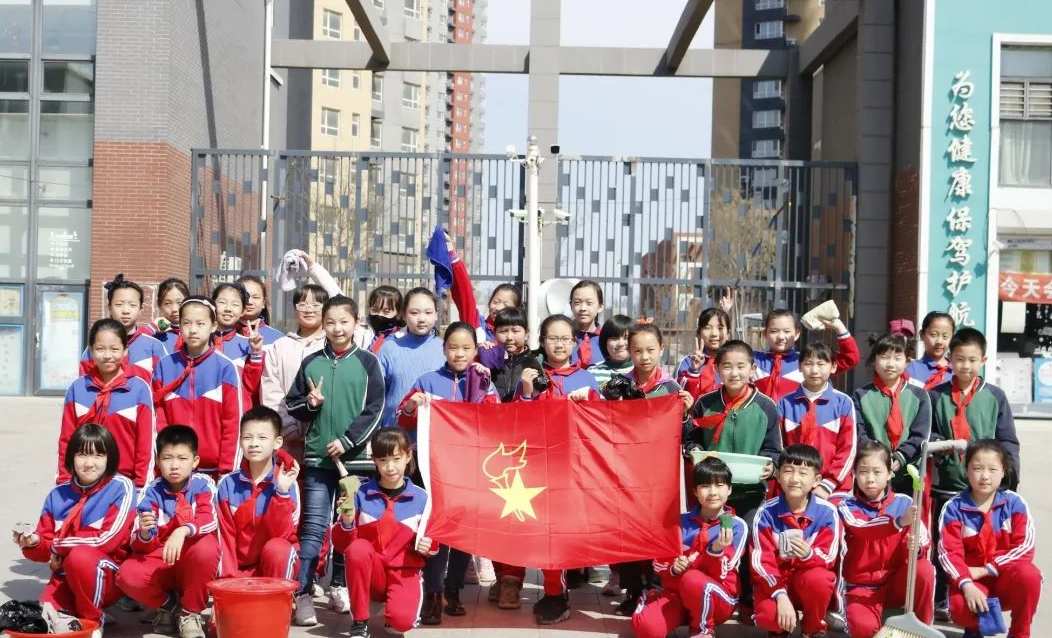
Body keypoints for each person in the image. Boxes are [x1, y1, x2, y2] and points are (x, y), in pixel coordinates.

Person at [285, 295, 385, 625]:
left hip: (354, 463)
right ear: (323, 325)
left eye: (344, 321)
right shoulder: (311, 362)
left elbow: (376, 409)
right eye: (330, 322)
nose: (337, 328)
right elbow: (293, 404)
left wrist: (347, 441)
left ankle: (339, 585)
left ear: (356, 323)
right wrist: (311, 404)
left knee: (347, 525)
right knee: (313, 528)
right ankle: (303, 593)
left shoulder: (368, 363)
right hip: (317, 459)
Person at [396, 321, 499, 624]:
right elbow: (402, 419)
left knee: (463, 532)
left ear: (475, 350)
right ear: (443, 349)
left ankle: (453, 590)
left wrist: (483, 388)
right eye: (453, 347)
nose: (459, 353)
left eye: (466, 348)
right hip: (432, 470)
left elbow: (495, 419)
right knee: (435, 529)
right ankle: (433, 591)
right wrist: (412, 406)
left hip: (470, 470)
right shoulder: (427, 381)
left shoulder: (483, 380)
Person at [507, 314, 601, 625]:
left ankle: (558, 593)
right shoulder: (530, 375)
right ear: (542, 341)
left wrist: (590, 400)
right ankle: (553, 592)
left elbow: (602, 424)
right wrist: (526, 393)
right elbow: (515, 423)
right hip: (538, 465)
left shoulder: (586, 378)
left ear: (574, 342)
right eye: (552, 338)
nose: (559, 344)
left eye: (565, 339)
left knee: (561, 532)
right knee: (545, 531)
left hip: (574, 467)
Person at [687, 339, 781, 621]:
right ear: (717, 369)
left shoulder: (766, 406)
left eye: (741, 366)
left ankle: (749, 597)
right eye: (727, 366)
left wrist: (771, 466)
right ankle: (711, 591)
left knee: (750, 539)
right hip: (712, 493)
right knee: (712, 539)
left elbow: (774, 450)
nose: (734, 373)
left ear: (752, 369)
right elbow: (690, 439)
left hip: (749, 491)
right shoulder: (705, 403)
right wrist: (693, 450)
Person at [929, 328, 1020, 619]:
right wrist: (941, 444)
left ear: (983, 360)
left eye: (971, 360)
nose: (965, 366)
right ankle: (942, 597)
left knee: (983, 543)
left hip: (985, 488)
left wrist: (1008, 478)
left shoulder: (995, 396)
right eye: (959, 359)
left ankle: (984, 594)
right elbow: (928, 432)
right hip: (948, 483)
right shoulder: (936, 395)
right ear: (949, 359)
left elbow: (1008, 440)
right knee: (945, 543)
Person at [13, 424, 135, 634]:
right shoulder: (57, 495)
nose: (89, 463)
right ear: (71, 457)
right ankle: (81, 610)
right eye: (82, 455)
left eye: (98, 455)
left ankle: (93, 621)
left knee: (80, 557)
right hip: (65, 576)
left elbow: (106, 540)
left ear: (110, 457)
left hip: (109, 576)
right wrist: (33, 542)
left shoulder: (121, 486)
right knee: (44, 619)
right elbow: (44, 551)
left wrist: (56, 545)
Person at [609, 323, 695, 615]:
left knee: (657, 533)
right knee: (628, 533)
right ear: (629, 352)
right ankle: (633, 591)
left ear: (661, 349)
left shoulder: (672, 389)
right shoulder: (619, 385)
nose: (644, 357)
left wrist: (685, 415)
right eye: (637, 351)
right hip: (625, 472)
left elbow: (686, 436)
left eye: (650, 350)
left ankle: (656, 589)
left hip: (659, 476)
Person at [117, 426, 219, 638]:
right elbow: (138, 544)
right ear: (157, 461)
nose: (174, 465)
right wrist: (145, 533)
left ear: (195, 461)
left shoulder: (204, 485)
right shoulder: (150, 491)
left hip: (190, 561)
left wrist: (183, 530)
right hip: (161, 560)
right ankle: (169, 606)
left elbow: (210, 519)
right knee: (127, 575)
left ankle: (190, 613)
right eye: (167, 458)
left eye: (182, 458)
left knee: (208, 548)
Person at [333, 428, 437, 638]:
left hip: (404, 572)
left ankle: (393, 610)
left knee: (402, 623)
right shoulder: (358, 494)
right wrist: (347, 521)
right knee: (358, 549)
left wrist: (429, 546)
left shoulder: (423, 498)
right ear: (374, 460)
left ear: (408, 456)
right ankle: (360, 621)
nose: (390, 467)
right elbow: (343, 546)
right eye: (383, 460)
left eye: (396, 458)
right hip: (372, 572)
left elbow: (434, 540)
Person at [632, 457, 748, 638]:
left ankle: (702, 630)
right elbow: (658, 561)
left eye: (719, 485)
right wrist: (673, 567)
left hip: (718, 599)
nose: (712, 492)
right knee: (647, 629)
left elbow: (725, 569)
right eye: (705, 486)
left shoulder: (736, 526)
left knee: (692, 578)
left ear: (729, 489)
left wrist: (715, 550)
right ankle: (653, 601)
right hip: (677, 595)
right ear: (695, 490)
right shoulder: (678, 522)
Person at [938, 439, 1040, 638]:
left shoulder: (1015, 503)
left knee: (1030, 576)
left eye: (993, 469)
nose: (985, 476)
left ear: (1003, 472)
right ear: (966, 470)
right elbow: (948, 554)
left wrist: (988, 569)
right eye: (977, 468)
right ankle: (975, 629)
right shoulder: (953, 508)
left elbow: (1025, 548)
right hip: (972, 581)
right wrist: (966, 584)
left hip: (1005, 578)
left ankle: (1019, 633)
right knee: (959, 605)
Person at [838, 441, 935, 638]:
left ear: (890, 473)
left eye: (877, 472)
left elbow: (923, 539)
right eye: (863, 472)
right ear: (854, 473)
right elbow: (865, 529)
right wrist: (898, 522)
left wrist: (916, 548)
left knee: (924, 569)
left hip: (896, 585)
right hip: (861, 589)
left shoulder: (905, 502)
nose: (870, 479)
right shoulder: (846, 507)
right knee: (863, 630)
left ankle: (922, 629)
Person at [751, 444, 840, 637]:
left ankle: (812, 629)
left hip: (805, 580)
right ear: (778, 475)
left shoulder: (827, 512)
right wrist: (780, 594)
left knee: (820, 579)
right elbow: (761, 562)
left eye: (803, 473)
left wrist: (808, 555)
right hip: (776, 582)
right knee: (769, 615)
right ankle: (779, 628)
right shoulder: (766, 512)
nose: (794, 479)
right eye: (788, 471)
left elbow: (829, 557)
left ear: (816, 480)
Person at [60, 318, 155, 488]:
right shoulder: (77, 388)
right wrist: (64, 482)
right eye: (100, 349)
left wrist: (141, 487)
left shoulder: (139, 389)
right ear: (90, 350)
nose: (107, 355)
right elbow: (66, 440)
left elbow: (145, 444)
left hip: (124, 482)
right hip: (83, 480)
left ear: (125, 351)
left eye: (114, 349)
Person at [153, 296, 243, 474]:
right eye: (186, 323)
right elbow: (158, 417)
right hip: (174, 469)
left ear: (213, 326)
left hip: (214, 470)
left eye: (200, 324)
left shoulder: (225, 367)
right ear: (179, 326)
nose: (193, 330)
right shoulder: (165, 365)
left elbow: (232, 423)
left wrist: (226, 472)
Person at [215, 407, 301, 583]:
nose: (254, 443)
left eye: (262, 438)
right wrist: (228, 583)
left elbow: (283, 535)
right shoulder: (227, 484)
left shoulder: (288, 483)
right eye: (247, 437)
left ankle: (280, 596)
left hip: (272, 569)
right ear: (240, 441)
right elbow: (224, 539)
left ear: (277, 442)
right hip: (237, 572)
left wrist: (282, 492)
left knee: (279, 549)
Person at [853, 333, 932, 496]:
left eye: (897, 358)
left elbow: (921, 434)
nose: (890, 364)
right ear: (874, 360)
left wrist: (901, 456)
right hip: (872, 473)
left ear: (907, 362)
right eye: (884, 357)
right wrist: (878, 456)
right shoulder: (860, 396)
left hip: (908, 473)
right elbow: (858, 432)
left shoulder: (920, 396)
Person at [777, 342, 858, 497]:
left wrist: (828, 484)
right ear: (799, 367)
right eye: (808, 364)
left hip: (835, 489)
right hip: (794, 485)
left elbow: (848, 449)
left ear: (833, 367)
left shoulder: (843, 403)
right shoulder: (784, 403)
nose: (814, 370)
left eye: (821, 364)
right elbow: (779, 446)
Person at [754, 308, 859, 402]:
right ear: (765, 334)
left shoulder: (808, 360)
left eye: (787, 331)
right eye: (774, 331)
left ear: (796, 334)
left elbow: (850, 358)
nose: (781, 336)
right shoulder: (753, 359)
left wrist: (839, 328)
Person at [80, 273, 168, 384]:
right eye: (119, 304)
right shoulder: (95, 347)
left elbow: (165, 385)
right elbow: (84, 385)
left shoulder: (154, 346)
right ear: (109, 307)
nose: (126, 310)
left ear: (141, 309)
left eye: (132, 305)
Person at [376, 288, 445, 428]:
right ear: (404, 314)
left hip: (434, 433)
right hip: (394, 434)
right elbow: (374, 396)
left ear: (436, 314)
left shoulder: (446, 349)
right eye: (414, 313)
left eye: (428, 312)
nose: (421, 319)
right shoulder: (388, 349)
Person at [211, 282, 264, 408]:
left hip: (236, 412)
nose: (228, 309)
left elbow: (251, 388)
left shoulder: (248, 344)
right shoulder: (199, 341)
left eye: (235, 304)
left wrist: (256, 352)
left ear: (243, 311)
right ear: (213, 305)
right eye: (222, 302)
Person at [478, 306, 537, 402]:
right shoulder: (488, 358)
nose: (509, 337)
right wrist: (479, 351)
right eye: (503, 331)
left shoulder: (534, 362)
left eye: (515, 331)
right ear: (495, 333)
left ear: (526, 334)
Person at [677, 307, 733, 400]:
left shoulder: (735, 362)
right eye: (707, 328)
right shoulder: (688, 362)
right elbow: (680, 395)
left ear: (728, 334)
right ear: (699, 333)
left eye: (720, 328)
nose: (714, 334)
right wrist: (693, 371)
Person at [906, 311, 955, 390]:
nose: (939, 341)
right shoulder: (912, 369)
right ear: (922, 335)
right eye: (933, 335)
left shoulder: (957, 371)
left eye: (945, 336)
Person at [587, 314, 635, 393]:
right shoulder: (592, 373)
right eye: (615, 338)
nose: (621, 343)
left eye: (626, 338)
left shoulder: (642, 371)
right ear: (605, 342)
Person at [237, 274, 285, 345]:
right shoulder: (222, 333)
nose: (249, 302)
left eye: (255, 297)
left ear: (263, 303)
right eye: (245, 297)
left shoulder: (278, 338)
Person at [353, 285, 402, 352]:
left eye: (386, 312)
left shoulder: (403, 336)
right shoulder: (359, 329)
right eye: (375, 310)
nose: (379, 315)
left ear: (398, 313)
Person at [569, 280, 605, 367]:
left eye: (589, 303)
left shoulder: (607, 339)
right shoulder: (564, 338)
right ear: (571, 306)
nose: (583, 308)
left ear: (600, 307)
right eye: (577, 303)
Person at [148, 278, 189, 351]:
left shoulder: (198, 333)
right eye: (167, 303)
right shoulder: (153, 336)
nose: (174, 309)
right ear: (159, 305)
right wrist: (151, 329)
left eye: (179, 303)